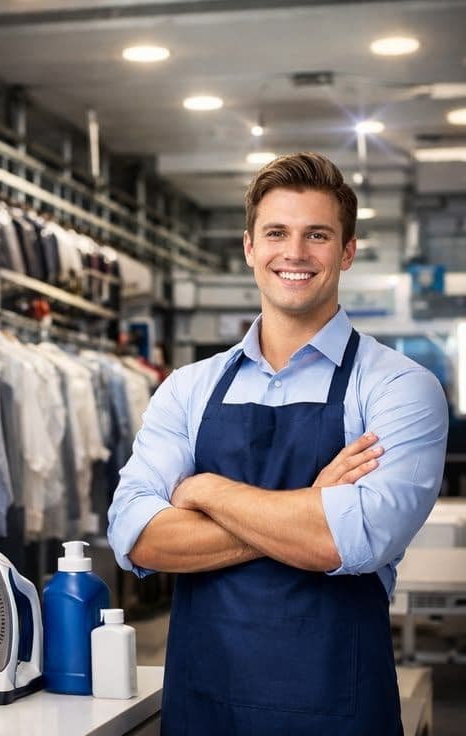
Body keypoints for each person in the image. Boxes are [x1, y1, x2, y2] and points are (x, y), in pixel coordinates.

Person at [107, 152, 448, 736]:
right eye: (276, 233)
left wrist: (206, 489)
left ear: (346, 251)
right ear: (249, 248)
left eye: (317, 234)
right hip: (202, 706)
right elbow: (138, 538)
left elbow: (352, 539)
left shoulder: (399, 386)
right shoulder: (189, 388)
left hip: (339, 708)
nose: (294, 252)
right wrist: (308, 505)